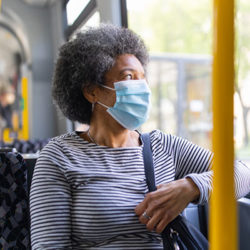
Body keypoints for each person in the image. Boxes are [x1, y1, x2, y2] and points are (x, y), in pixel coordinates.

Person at [30, 24, 250, 249]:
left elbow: (244, 171)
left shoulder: (163, 146)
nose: (142, 88)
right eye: (128, 77)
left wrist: (191, 187)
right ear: (91, 91)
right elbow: (49, 245)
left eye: (142, 78)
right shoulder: (59, 157)